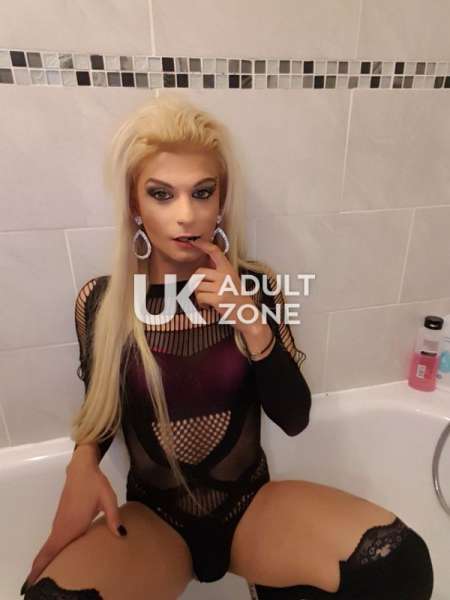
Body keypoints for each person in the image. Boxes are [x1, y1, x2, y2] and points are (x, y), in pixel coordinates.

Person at [21, 94, 433, 600]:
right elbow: (102, 406)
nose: (186, 215)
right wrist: (81, 465)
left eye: (202, 192)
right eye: (161, 194)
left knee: (400, 564)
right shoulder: (102, 301)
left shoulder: (256, 286)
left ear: (221, 200)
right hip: (155, 520)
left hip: (251, 508)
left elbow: (295, 419)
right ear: (134, 205)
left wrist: (251, 323)